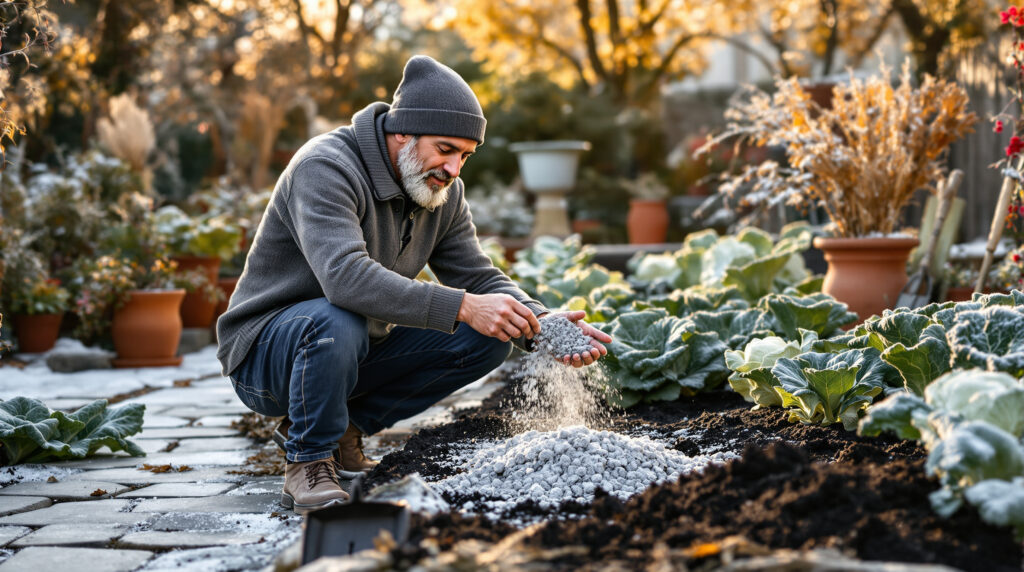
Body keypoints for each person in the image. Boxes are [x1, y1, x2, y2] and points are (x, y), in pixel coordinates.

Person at [216, 55, 612, 514]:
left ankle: (343, 427)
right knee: (337, 317)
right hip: (267, 357)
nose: (454, 168)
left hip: (352, 345)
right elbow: (344, 279)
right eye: (445, 149)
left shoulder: (441, 192)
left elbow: (476, 274)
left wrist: (537, 320)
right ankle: (308, 458)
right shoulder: (324, 167)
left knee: (488, 339)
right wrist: (464, 306)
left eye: (465, 155)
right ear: (402, 132)